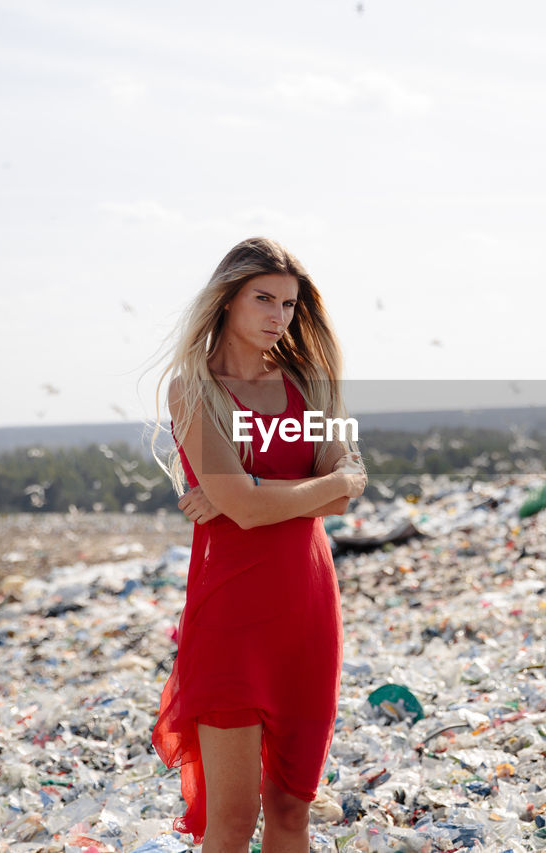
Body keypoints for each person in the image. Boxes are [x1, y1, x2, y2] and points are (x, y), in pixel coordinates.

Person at [150, 237, 366, 853]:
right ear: (227, 301)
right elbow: (261, 504)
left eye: (290, 304)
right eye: (263, 299)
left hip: (308, 612)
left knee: (293, 808)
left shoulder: (309, 383)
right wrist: (250, 497)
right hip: (231, 614)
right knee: (235, 816)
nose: (278, 316)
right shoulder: (193, 390)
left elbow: (347, 491)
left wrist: (247, 491)